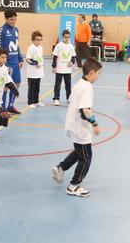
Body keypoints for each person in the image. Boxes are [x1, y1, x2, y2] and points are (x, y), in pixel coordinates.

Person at [52, 59, 102, 197]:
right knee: (86, 158)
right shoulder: (87, 87)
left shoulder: (80, 83)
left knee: (79, 152)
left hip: (72, 124)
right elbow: (84, 110)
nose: (98, 76)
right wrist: (95, 124)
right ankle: (73, 186)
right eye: (98, 73)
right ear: (91, 73)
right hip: (80, 128)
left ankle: (60, 168)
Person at [0, 9, 23, 115]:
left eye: (15, 19)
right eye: (11, 19)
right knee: (6, 85)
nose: (14, 21)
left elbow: (17, 45)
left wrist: (20, 58)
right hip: (7, 63)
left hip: (15, 62)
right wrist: (3, 64)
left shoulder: (16, 30)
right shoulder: (1, 31)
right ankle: (2, 109)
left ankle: (11, 106)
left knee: (17, 83)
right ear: (6, 19)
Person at [52, 30, 76, 106]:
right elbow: (54, 57)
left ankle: (69, 97)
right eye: (65, 37)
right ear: (63, 37)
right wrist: (54, 66)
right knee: (57, 84)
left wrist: (72, 62)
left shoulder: (71, 46)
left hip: (67, 70)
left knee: (68, 84)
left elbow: (73, 57)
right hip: (59, 68)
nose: (67, 39)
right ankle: (56, 99)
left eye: (68, 37)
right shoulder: (58, 45)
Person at [26, 31, 45, 109]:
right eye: (37, 39)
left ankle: (36, 101)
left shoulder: (40, 48)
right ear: (33, 40)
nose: (39, 41)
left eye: (40, 39)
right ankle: (30, 102)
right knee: (32, 88)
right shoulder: (31, 48)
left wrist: (40, 63)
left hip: (39, 72)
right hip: (32, 73)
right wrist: (36, 63)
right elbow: (28, 59)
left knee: (37, 87)